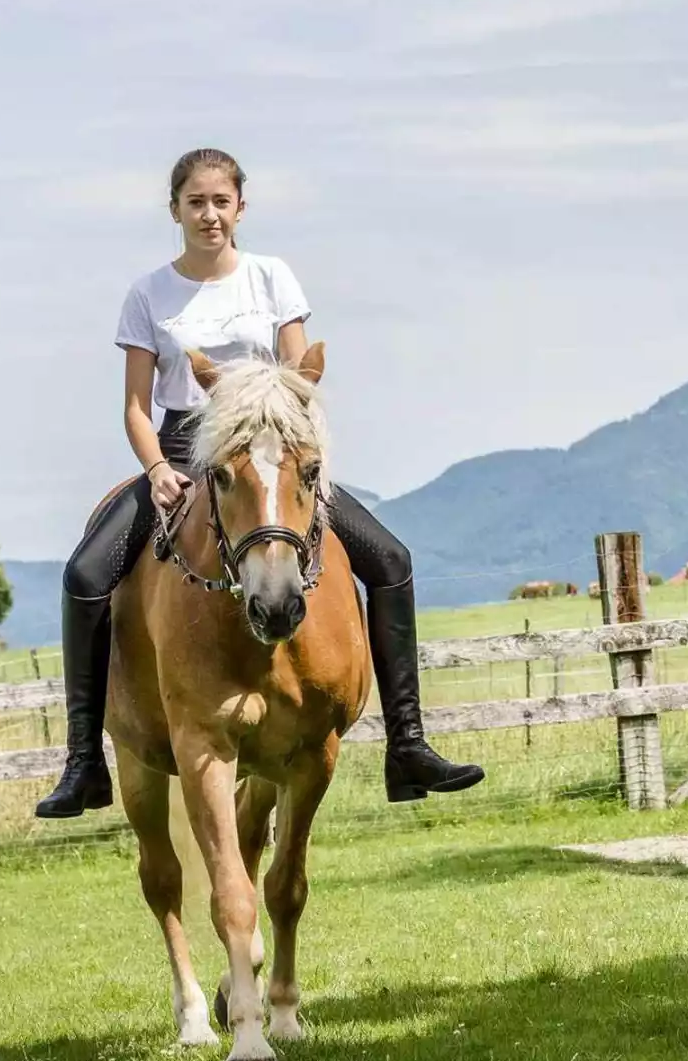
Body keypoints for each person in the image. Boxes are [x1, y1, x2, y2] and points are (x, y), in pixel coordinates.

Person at [33, 148, 484, 817]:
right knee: (84, 575)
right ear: (175, 211)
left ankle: (408, 745)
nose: (209, 214)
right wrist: (157, 469)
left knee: (391, 560)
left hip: (269, 447)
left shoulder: (272, 277)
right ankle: (82, 764)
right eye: (196, 202)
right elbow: (135, 405)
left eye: (221, 201)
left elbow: (299, 373)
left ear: (239, 207)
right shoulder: (149, 294)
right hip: (188, 449)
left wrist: (297, 438)